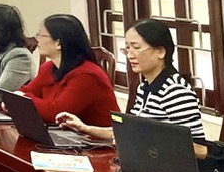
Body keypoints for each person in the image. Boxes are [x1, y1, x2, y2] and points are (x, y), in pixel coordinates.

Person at [57, 19, 207, 154]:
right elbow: (129, 133)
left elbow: (200, 150)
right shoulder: (144, 87)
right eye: (127, 48)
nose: (130, 55)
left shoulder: (175, 91)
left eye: (136, 47)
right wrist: (84, 128)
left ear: (160, 52)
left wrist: (146, 141)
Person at [19, 14, 119, 126]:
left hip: (95, 136)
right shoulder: (48, 68)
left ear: (58, 43)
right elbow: (25, 91)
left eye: (41, 35)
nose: (37, 40)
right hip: (64, 133)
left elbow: (56, 113)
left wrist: (23, 99)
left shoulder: (86, 75)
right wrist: (18, 98)